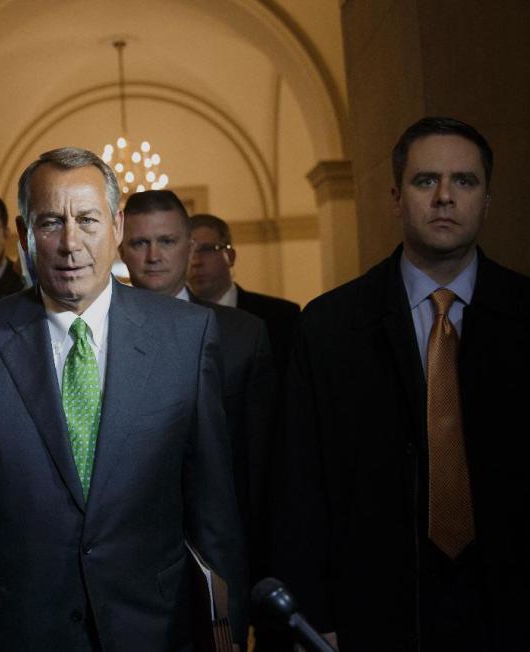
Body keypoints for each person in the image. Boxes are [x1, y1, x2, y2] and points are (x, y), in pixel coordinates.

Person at [0, 147, 247, 650]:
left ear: (117, 226)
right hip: (16, 632)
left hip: (154, 629)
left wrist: (228, 632)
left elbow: (213, 510)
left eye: (87, 220)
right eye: (49, 223)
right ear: (23, 235)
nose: (70, 244)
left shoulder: (187, 338)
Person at [272, 117, 530, 651]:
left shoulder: (527, 315)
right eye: (424, 181)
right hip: (376, 611)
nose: (444, 197)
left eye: (464, 181)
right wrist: (314, 616)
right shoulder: (328, 327)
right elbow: (301, 483)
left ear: (487, 200)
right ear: (395, 197)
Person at [120, 189, 277, 585]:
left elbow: (260, 461)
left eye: (167, 241)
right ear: (121, 250)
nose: (153, 255)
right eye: (140, 242)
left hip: (218, 547)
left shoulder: (243, 333)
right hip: (125, 548)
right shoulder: (94, 334)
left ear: (189, 248)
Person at [187, 214, 300, 375]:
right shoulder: (172, 319)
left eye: (207, 249)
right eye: (188, 251)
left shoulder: (281, 316)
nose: (195, 261)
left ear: (230, 256)